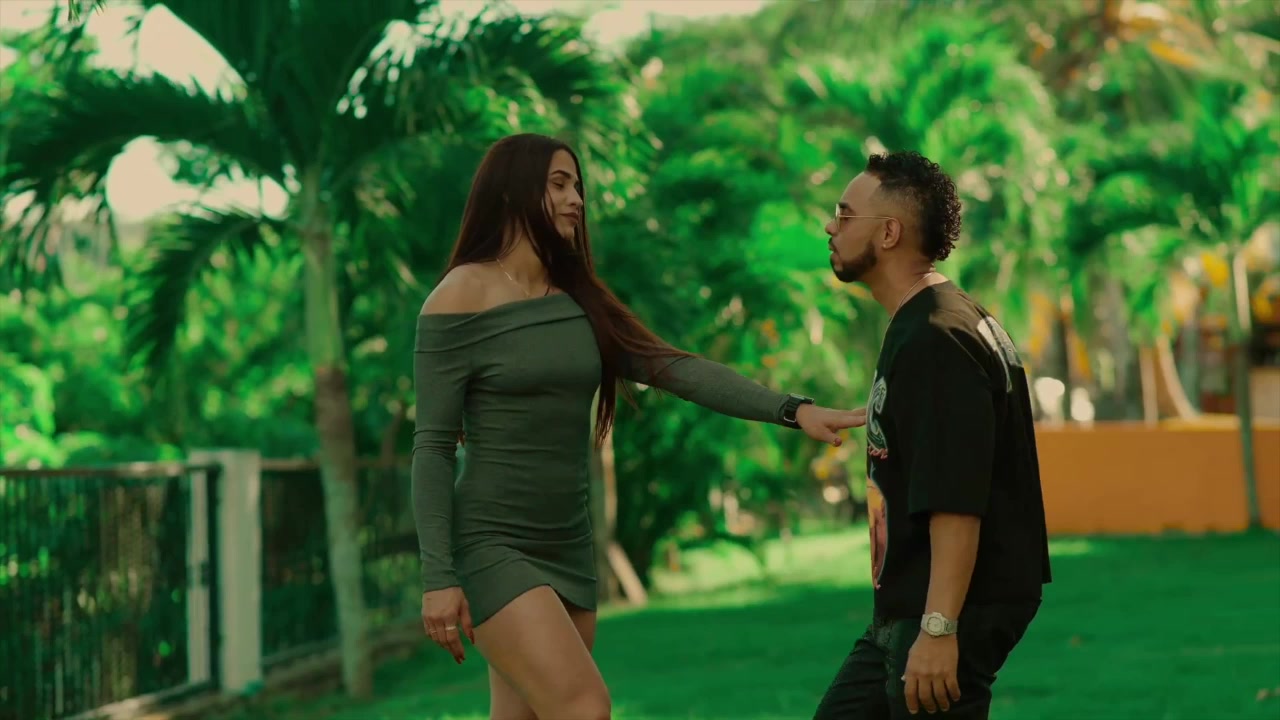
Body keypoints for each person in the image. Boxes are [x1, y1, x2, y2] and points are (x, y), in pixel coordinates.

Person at [414, 132, 866, 720]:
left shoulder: (578, 299)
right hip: (492, 543)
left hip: (567, 542)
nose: (577, 199)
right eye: (558, 184)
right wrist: (438, 577)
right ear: (510, 192)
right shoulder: (459, 297)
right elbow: (433, 448)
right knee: (584, 707)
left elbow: (674, 367)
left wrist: (792, 409)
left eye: (578, 185)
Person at [812, 151, 1052, 719]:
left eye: (844, 214)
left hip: (948, 608)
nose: (830, 226)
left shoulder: (937, 336)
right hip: (909, 606)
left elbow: (956, 499)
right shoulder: (928, 320)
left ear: (889, 232)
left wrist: (940, 628)